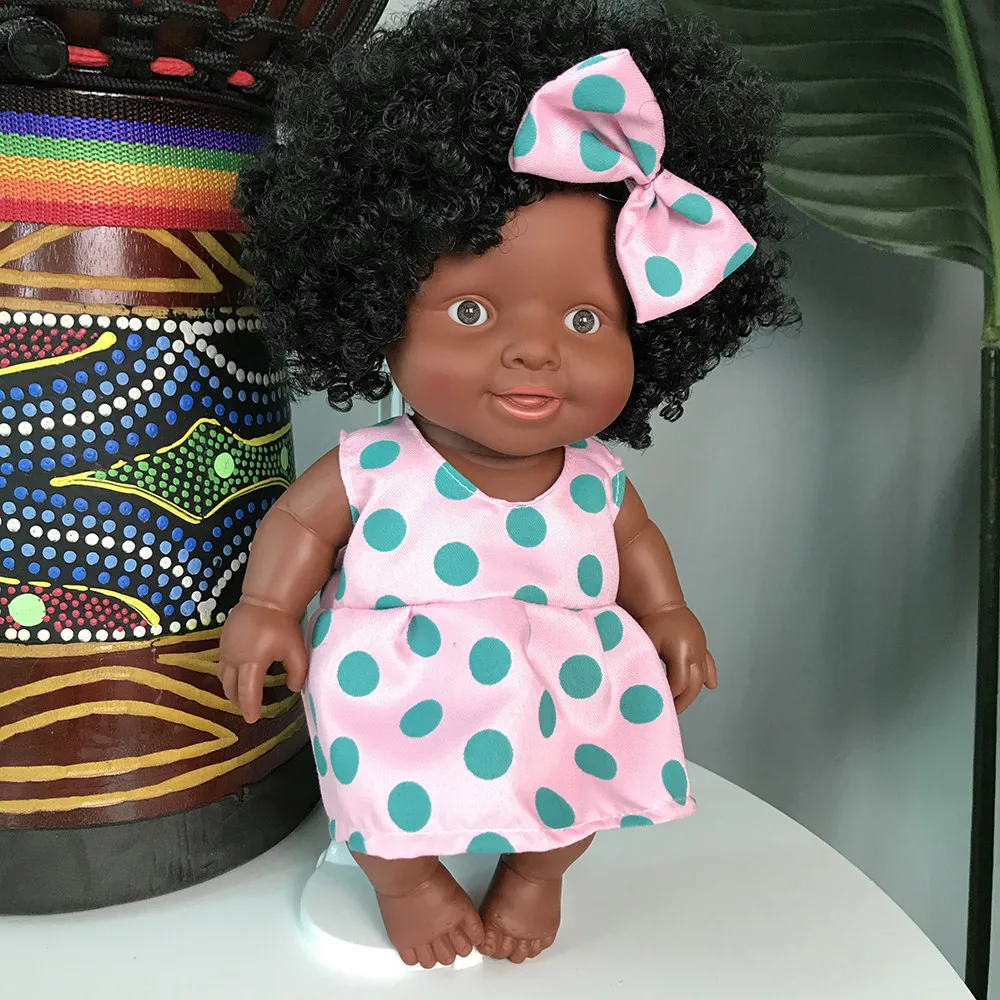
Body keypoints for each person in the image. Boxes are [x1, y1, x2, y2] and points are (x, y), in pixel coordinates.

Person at [218, 0, 797, 970]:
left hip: (564, 679)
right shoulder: (378, 465)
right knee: (370, 782)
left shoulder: (595, 479)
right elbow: (301, 524)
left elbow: (635, 542)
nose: (534, 351)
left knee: (582, 780)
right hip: (395, 683)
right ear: (376, 312)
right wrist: (269, 605)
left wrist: (667, 611)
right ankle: (407, 880)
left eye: (585, 321)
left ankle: (536, 869)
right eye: (473, 311)